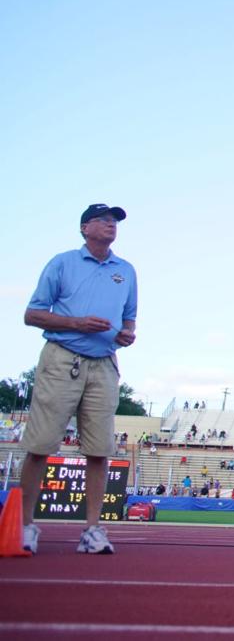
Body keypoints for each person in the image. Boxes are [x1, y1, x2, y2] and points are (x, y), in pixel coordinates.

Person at [19, 204, 138, 555]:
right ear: (85, 228)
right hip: (62, 357)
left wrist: (127, 334)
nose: (111, 226)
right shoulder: (63, 263)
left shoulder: (126, 270)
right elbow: (31, 314)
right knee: (41, 445)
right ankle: (25, 525)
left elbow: (130, 317)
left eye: (115, 222)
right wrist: (77, 323)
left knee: (99, 450)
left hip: (104, 362)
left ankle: (93, 530)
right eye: (104, 220)